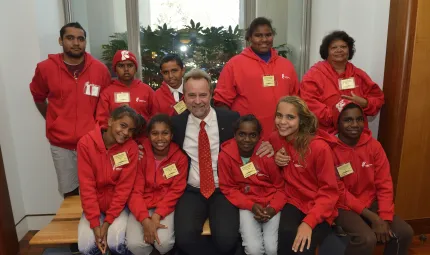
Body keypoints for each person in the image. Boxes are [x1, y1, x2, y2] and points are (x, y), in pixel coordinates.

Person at [171, 69, 274, 255]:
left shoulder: (230, 118)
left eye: (203, 95)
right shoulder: (176, 124)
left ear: (210, 94)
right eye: (191, 95)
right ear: (183, 97)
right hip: (191, 190)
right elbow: (157, 142)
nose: (197, 101)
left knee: (227, 240)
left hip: (224, 190)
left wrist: (268, 145)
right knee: (184, 239)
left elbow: (251, 138)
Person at [29, 22, 111, 197]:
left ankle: (95, 225)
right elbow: (38, 97)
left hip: (92, 144)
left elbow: (105, 106)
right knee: (70, 193)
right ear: (60, 40)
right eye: (70, 38)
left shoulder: (100, 70)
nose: (76, 43)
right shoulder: (45, 68)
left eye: (80, 39)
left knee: (97, 191)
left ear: (85, 42)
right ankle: (74, 224)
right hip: (61, 145)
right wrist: (55, 120)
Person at [330, 99, 413, 255]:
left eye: (359, 119)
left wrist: (385, 219)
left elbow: (385, 183)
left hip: (370, 201)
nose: (355, 124)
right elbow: (339, 192)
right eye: (348, 120)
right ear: (337, 122)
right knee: (366, 239)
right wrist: (373, 218)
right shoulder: (329, 149)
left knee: (404, 232)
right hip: (341, 205)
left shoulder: (374, 146)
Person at [270, 96, 339, 255]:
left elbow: (329, 193)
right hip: (293, 200)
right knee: (285, 240)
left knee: (301, 249)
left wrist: (309, 223)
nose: (282, 121)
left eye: (290, 117)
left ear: (301, 120)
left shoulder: (319, 148)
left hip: (319, 206)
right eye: (279, 115)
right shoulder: (276, 138)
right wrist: (276, 159)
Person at [214, 17, 299, 139]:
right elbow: (221, 103)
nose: (264, 39)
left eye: (268, 35)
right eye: (258, 35)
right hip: (248, 139)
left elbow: (297, 101)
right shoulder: (234, 64)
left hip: (283, 136)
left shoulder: (286, 65)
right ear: (249, 38)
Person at [218, 114, 287, 255]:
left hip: (271, 204)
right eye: (242, 134)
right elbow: (228, 188)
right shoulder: (225, 156)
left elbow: (281, 188)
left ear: (259, 136)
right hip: (246, 203)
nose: (247, 140)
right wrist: (250, 206)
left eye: (252, 135)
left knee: (272, 248)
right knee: (253, 249)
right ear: (234, 134)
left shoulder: (266, 155)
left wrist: (273, 209)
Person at [77, 105, 140, 255]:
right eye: (123, 125)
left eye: (131, 130)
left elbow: (124, 188)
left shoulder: (131, 148)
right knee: (87, 248)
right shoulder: (86, 144)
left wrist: (107, 223)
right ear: (111, 121)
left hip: (118, 207)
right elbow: (87, 187)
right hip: (94, 208)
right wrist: (95, 223)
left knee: (116, 244)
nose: (126, 133)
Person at [300, 30, 384, 134]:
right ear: (326, 52)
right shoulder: (313, 75)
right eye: (334, 47)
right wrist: (340, 117)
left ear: (349, 50)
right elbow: (309, 104)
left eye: (343, 47)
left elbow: (378, 99)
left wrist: (365, 103)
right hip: (325, 136)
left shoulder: (359, 74)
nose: (339, 50)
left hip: (356, 136)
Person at [127, 114, 188, 255]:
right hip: (142, 205)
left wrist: (157, 215)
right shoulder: (140, 154)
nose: (160, 139)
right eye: (154, 133)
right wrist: (144, 220)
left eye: (165, 133)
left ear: (172, 135)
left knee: (164, 244)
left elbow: (176, 190)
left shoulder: (180, 158)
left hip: (165, 206)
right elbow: (134, 191)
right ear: (148, 135)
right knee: (135, 245)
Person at [96, 50, 154, 127]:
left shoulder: (147, 90)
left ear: (135, 68)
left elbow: (155, 118)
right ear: (115, 69)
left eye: (130, 65)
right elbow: (102, 121)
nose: (126, 69)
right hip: (117, 138)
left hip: (143, 137)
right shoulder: (107, 93)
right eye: (121, 66)